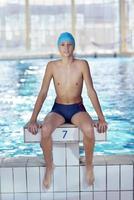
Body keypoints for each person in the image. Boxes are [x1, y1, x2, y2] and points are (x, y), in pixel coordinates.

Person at [27, 32, 108, 189]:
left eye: (69, 44)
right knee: (45, 131)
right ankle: (50, 167)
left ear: (74, 46)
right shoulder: (52, 66)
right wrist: (33, 118)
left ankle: (89, 165)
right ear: (58, 47)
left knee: (89, 130)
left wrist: (101, 117)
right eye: (62, 44)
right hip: (59, 108)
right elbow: (43, 92)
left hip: (77, 108)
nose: (66, 48)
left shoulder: (82, 64)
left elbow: (91, 91)